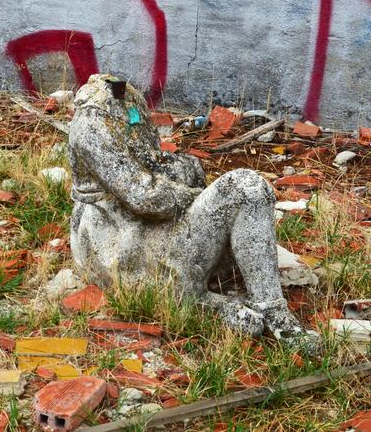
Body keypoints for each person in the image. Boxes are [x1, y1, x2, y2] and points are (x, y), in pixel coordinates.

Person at [68, 74, 314, 341]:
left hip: (149, 226)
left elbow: (160, 164)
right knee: (245, 185)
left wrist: (181, 174)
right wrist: (194, 194)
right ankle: (205, 300)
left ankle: (267, 308)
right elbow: (143, 195)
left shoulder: (129, 100)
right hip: (120, 243)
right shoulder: (91, 122)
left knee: (248, 190)